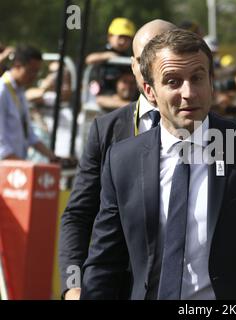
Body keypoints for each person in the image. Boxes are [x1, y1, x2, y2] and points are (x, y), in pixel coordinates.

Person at [80, 28, 236, 300]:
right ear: (150, 91)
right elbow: (104, 262)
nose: (189, 93)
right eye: (172, 81)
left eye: (197, 78)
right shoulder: (122, 160)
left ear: (211, 82)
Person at [58, 19, 177, 300]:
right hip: (119, 287)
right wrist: (72, 286)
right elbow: (78, 214)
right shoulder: (106, 130)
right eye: (144, 57)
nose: (153, 65)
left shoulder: (211, 130)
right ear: (134, 66)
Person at [0, 45, 58, 162]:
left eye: (37, 71)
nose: (34, 76)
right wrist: (23, 166)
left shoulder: (19, 91)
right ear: (17, 65)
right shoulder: (2, 90)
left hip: (15, 167)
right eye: (31, 71)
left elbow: (30, 135)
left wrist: (53, 157)